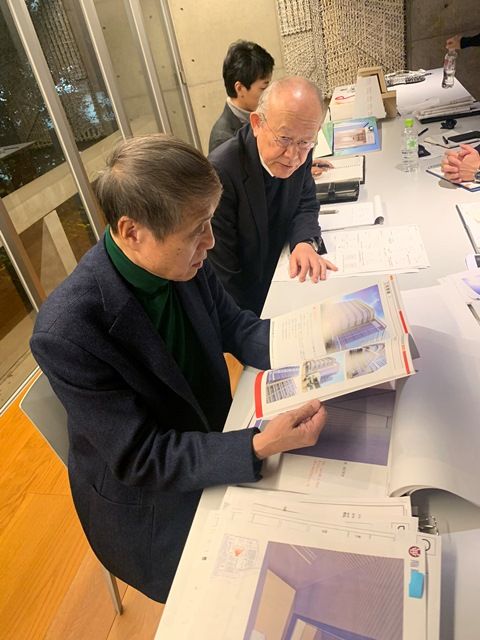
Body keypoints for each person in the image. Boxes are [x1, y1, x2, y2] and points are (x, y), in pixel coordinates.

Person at [29, 134, 327, 603]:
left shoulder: (183, 260)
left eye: (209, 222)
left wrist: (319, 344)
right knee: (257, 590)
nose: (211, 241)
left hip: (211, 433)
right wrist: (256, 445)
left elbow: (234, 326)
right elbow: (141, 455)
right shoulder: (68, 330)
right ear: (132, 232)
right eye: (197, 231)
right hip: (151, 504)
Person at [208, 76, 337, 316]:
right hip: (252, 297)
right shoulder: (222, 172)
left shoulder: (301, 145)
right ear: (257, 123)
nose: (293, 155)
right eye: (283, 139)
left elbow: (306, 202)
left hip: (285, 276)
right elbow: (224, 275)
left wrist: (304, 242)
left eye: (305, 142)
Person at [208, 40, 274, 153]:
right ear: (239, 88)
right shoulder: (224, 139)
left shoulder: (263, 114)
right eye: (263, 88)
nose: (269, 93)